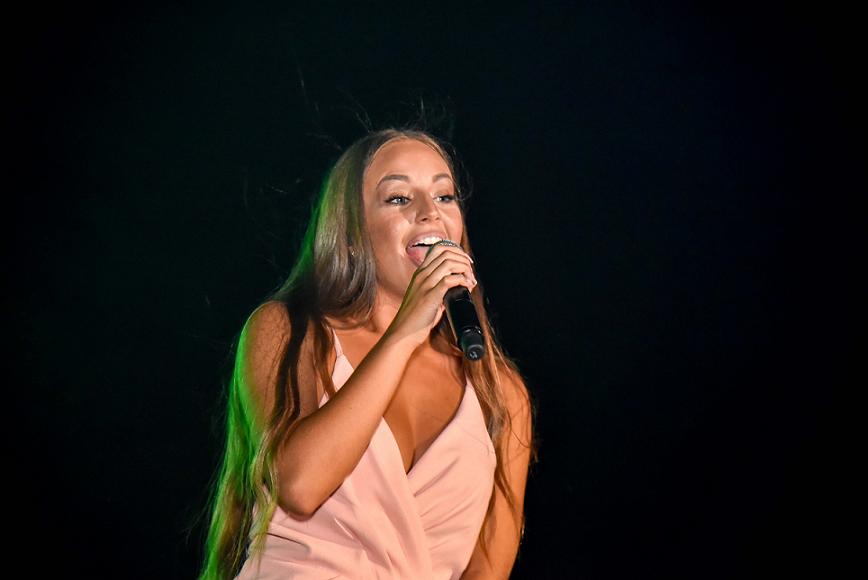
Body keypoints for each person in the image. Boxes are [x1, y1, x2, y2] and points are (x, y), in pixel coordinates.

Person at [200, 128, 537, 579]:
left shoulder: (499, 392)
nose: (429, 213)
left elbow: (488, 569)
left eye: (444, 196)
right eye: (399, 198)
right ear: (351, 234)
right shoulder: (289, 330)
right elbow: (300, 485)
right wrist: (404, 334)